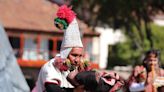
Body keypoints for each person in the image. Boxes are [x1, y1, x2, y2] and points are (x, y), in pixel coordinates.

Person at [32, 5, 89, 92]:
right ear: (65, 53)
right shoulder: (50, 66)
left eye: (80, 56)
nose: (77, 60)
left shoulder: (77, 70)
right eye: (74, 55)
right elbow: (53, 89)